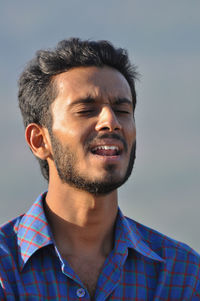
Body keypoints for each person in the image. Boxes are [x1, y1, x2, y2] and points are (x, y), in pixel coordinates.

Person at [0, 38, 199, 300]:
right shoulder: (5, 271)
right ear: (40, 140)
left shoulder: (182, 273)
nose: (111, 122)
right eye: (86, 110)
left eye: (122, 110)